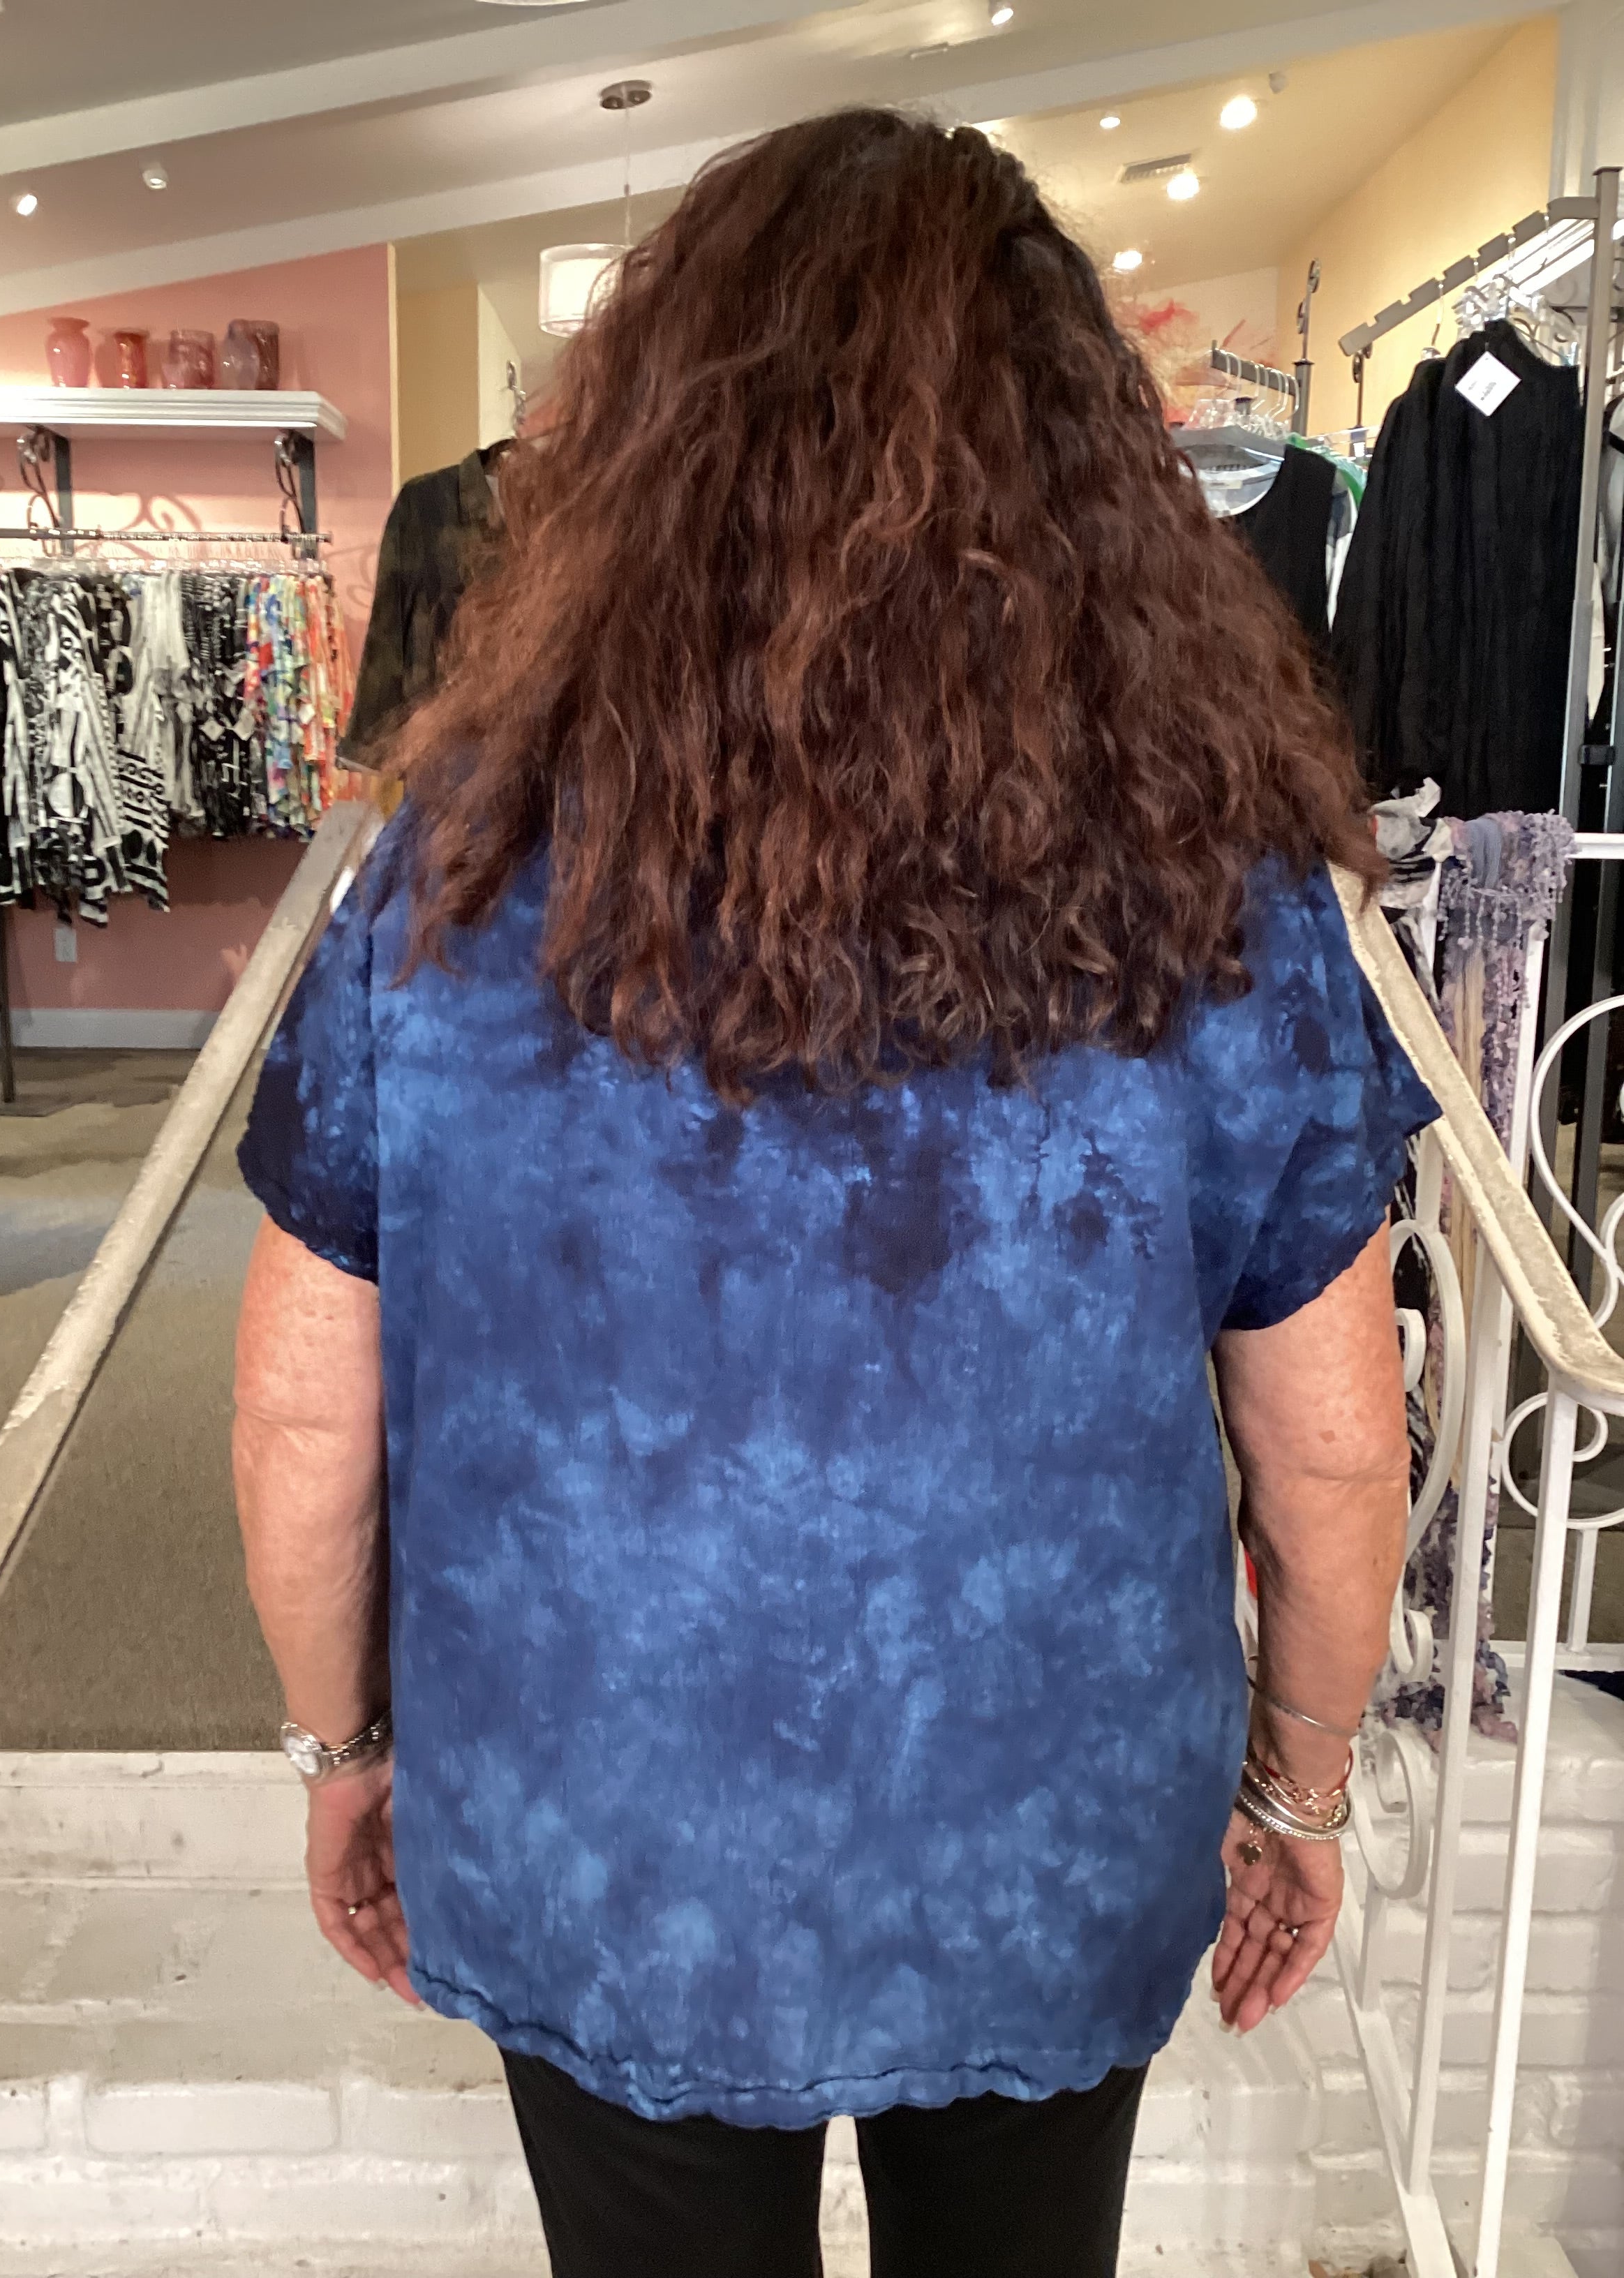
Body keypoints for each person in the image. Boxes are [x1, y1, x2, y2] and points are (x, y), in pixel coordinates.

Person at [233, 110, 1432, 2278]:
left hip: (600, 1832)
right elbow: (1338, 1450)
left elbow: (301, 1410)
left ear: (656, 446)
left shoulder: (454, 874)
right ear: (1085, 471)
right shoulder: (1222, 894)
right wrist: (1302, 1783)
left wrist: (343, 1742)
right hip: (1049, 1830)